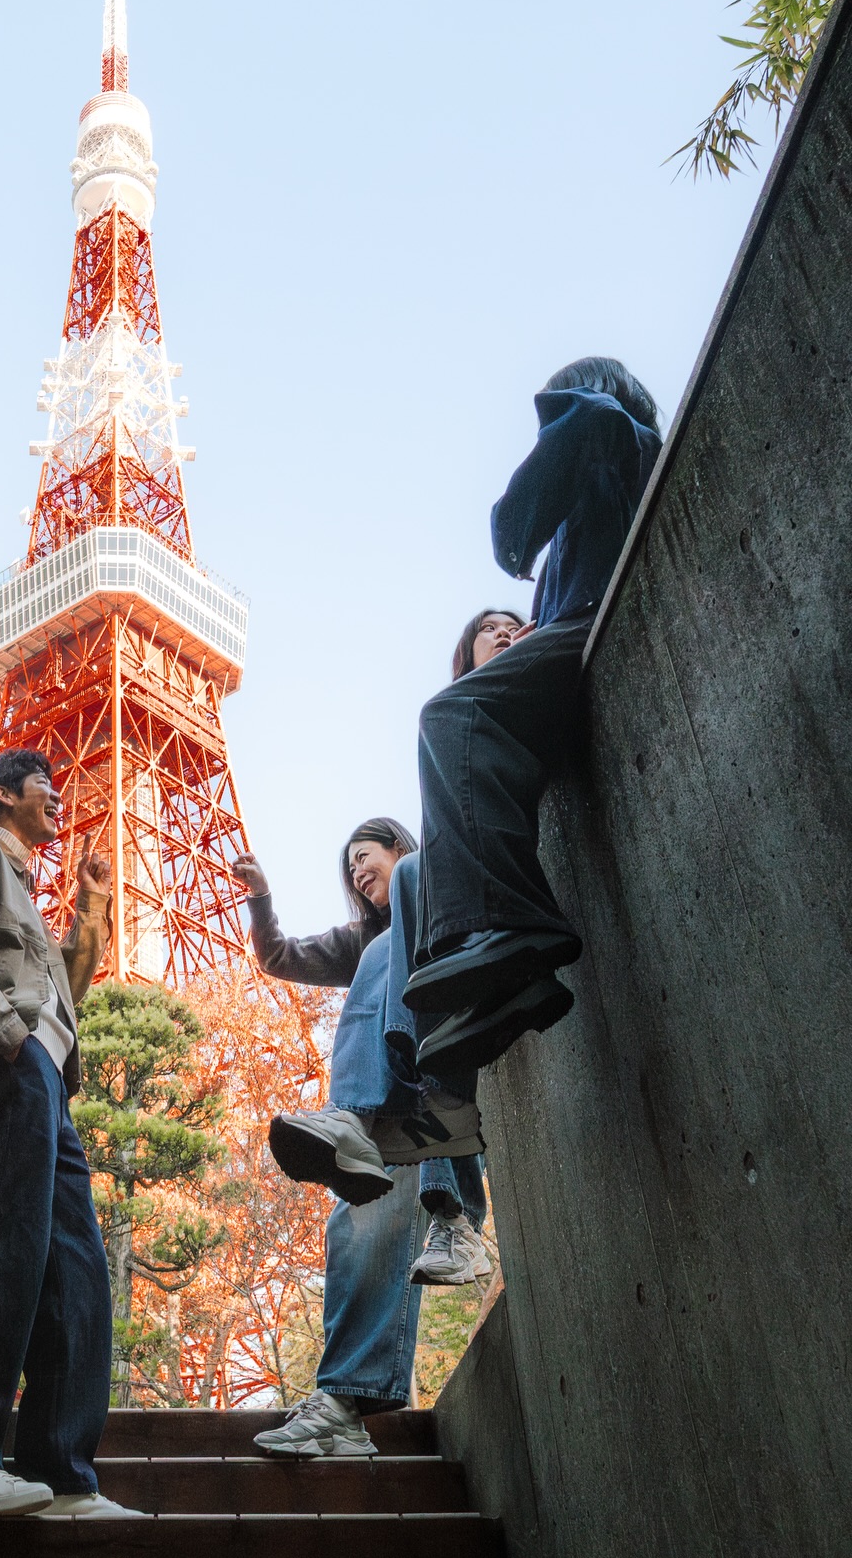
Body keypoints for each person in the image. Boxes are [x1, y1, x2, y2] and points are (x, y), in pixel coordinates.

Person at [234, 611, 524, 1457]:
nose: (363, 872)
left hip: (457, 1037)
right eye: (354, 870)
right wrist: (259, 896)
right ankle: (344, 1405)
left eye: (373, 855)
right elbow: (284, 954)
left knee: (402, 935)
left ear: (403, 843)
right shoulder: (365, 945)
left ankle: (443, 1198)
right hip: (406, 1096)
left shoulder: (444, 876)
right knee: (357, 1220)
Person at [405, 359, 663, 1076]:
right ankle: (504, 976)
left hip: (595, 626)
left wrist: (569, 408)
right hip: (566, 648)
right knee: (453, 727)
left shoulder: (621, 435)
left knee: (449, 713)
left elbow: (592, 419)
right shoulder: (569, 538)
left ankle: (513, 926)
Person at [0, 749, 134, 1520]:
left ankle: (63, 1474)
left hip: (47, 1075)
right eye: (45, 782)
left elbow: (63, 995)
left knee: (77, 1268)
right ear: (4, 793)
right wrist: (6, 1035)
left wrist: (92, 909)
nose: (58, 794)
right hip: (4, 1061)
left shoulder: (34, 896)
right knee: (0, 1238)